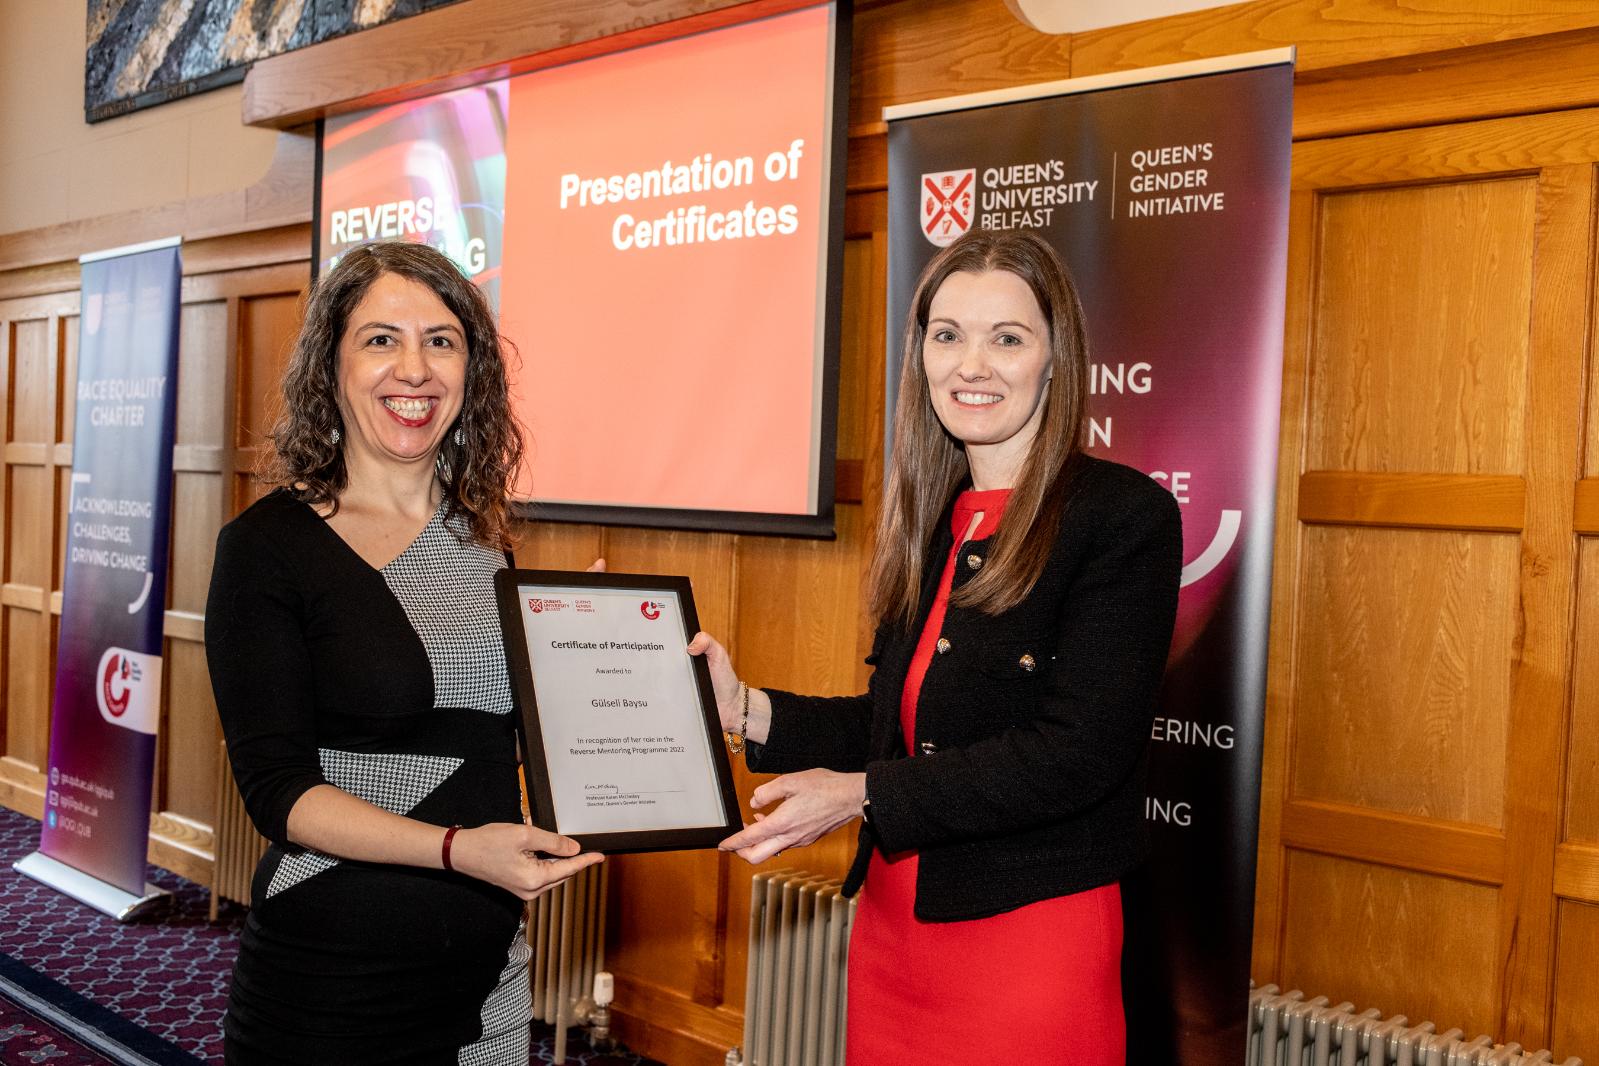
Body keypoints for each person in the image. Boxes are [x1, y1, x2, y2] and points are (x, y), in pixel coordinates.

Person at [689, 229, 1182, 1063]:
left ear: (1056, 360)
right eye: (947, 335)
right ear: (920, 355)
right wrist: (747, 710)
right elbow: (897, 727)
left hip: (1029, 940)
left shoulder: (1120, 517)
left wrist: (861, 796)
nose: (971, 365)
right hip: (893, 933)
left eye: (1007, 338)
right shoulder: (933, 520)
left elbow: (1079, 752)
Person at [205, 241, 602, 1065]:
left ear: (471, 370)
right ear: (332, 366)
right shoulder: (267, 548)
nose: (414, 369)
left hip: (489, 973)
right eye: (381, 339)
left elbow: (485, 740)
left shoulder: (484, 542)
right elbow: (279, 792)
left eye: (441, 341)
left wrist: (593, 660)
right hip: (334, 986)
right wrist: (457, 850)